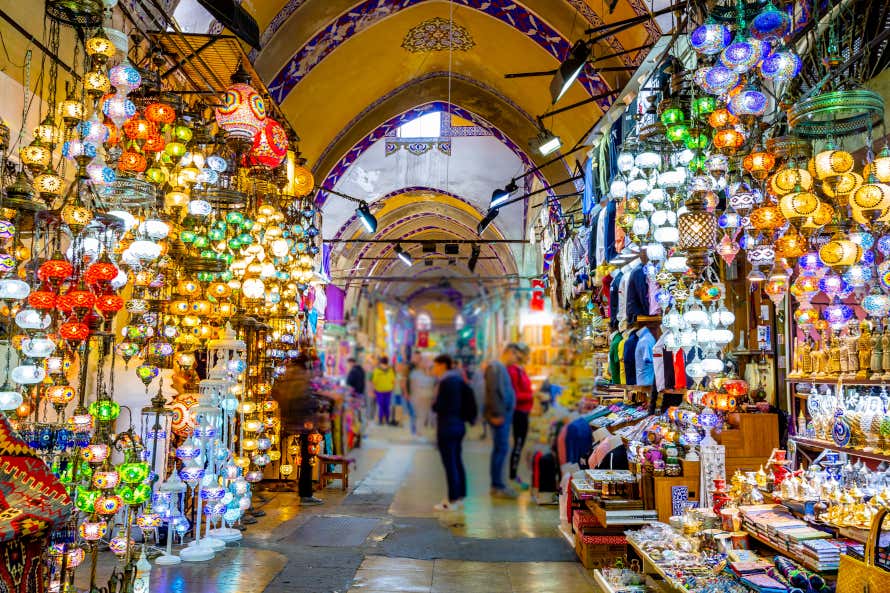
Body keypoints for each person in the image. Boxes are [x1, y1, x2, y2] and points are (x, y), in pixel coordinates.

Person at [270, 353, 327, 506]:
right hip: (304, 423)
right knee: (307, 459)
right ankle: (306, 494)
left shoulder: (287, 376)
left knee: (301, 457)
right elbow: (308, 400)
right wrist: (317, 407)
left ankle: (302, 490)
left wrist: (286, 412)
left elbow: (276, 393)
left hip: (290, 421)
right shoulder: (303, 378)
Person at [431, 353, 471, 511]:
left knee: (450, 463)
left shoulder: (446, 382)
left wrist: (435, 404)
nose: (434, 369)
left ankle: (452, 500)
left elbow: (439, 406)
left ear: (442, 365)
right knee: (457, 460)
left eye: (435, 366)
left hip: (447, 426)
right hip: (459, 425)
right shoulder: (458, 379)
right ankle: (460, 496)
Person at [483, 344, 519, 498]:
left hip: (502, 414)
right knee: (501, 449)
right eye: (515, 355)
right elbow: (493, 391)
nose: (516, 359)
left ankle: (498, 485)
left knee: (501, 449)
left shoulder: (499, 368)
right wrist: (497, 413)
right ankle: (497, 486)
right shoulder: (495, 368)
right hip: (499, 416)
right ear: (508, 352)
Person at [508, 344, 533, 489]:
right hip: (518, 412)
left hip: (524, 412)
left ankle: (513, 475)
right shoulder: (513, 371)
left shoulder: (520, 370)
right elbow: (514, 395)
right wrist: (531, 395)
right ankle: (512, 477)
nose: (528, 357)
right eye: (526, 353)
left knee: (520, 444)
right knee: (517, 445)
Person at [409, 357, 436, 432]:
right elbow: (413, 387)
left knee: (423, 416)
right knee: (419, 415)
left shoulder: (430, 373)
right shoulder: (415, 373)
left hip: (427, 397)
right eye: (424, 362)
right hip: (419, 397)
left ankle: (419, 432)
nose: (426, 364)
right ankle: (417, 432)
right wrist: (413, 397)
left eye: (427, 362)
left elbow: (433, 385)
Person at [370, 356, 396, 425]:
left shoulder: (377, 370)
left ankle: (381, 420)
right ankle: (387, 420)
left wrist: (372, 390)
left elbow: (374, 381)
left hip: (379, 390)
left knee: (381, 405)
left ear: (381, 362)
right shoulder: (390, 370)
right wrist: (393, 387)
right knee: (386, 405)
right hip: (388, 390)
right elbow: (393, 380)